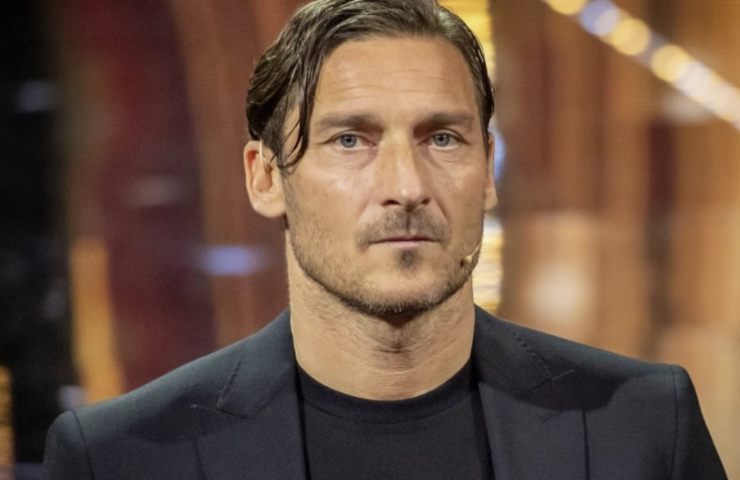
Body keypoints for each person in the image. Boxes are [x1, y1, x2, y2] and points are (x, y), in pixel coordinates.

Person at [42, 0, 727, 478]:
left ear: (487, 169)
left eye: (442, 138)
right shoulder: (121, 458)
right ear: (265, 177)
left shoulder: (642, 427)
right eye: (351, 139)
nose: (406, 186)